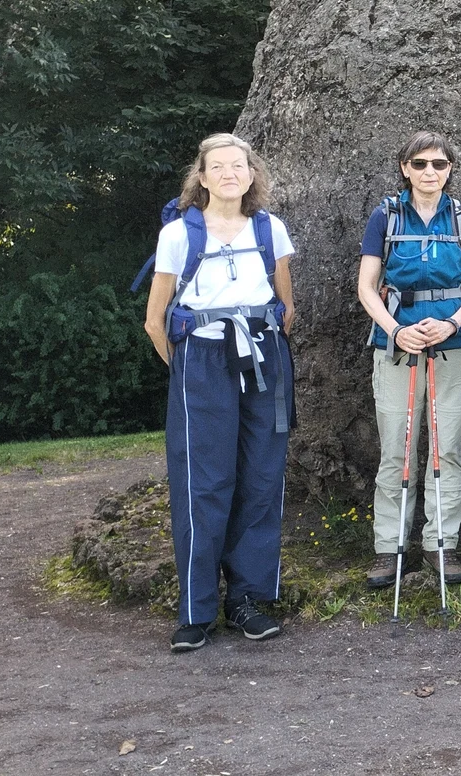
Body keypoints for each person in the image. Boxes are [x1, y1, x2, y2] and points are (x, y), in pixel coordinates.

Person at [143, 133, 296, 653]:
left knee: (261, 476)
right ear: (202, 177)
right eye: (218, 166)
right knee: (203, 481)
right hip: (202, 362)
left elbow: (285, 305)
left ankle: (249, 600)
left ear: (252, 175)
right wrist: (187, 367)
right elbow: (154, 319)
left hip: (263, 357)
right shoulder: (178, 235)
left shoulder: (270, 228)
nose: (230, 173)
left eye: (239, 165)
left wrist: (264, 346)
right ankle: (196, 609)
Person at [356, 132, 461, 590]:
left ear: (449, 169)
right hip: (397, 347)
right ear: (405, 168)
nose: (429, 172)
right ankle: (388, 548)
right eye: (420, 164)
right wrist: (397, 330)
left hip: (453, 346)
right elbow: (366, 286)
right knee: (396, 450)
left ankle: (441, 544)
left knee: (445, 450)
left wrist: (451, 324)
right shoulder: (384, 217)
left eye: (439, 164)